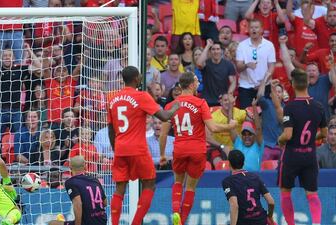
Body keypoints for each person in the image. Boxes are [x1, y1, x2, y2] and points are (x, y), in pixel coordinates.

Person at [159, 72, 237, 225]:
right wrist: (230, 125)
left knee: (177, 182)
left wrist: (162, 154)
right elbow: (213, 128)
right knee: (191, 187)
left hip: (180, 148)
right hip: (197, 149)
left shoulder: (170, 106)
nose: (198, 83)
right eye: (196, 81)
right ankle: (181, 221)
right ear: (191, 85)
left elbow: (163, 134)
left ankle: (175, 211)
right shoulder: (200, 103)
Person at [107, 66, 179, 225]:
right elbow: (164, 116)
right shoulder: (141, 96)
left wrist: (115, 148)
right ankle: (136, 222)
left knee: (119, 189)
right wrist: (175, 105)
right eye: (140, 77)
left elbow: (111, 129)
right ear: (136, 79)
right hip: (138, 148)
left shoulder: (112, 99)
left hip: (120, 148)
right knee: (149, 183)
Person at [278, 35, 328, 225]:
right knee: (312, 194)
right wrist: (308, 139)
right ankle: (316, 223)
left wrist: (281, 140)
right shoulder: (318, 107)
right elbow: (324, 134)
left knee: (285, 193)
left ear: (292, 85)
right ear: (307, 84)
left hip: (292, 156)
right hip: (309, 156)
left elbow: (288, 134)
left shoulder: (290, 107)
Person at [48, 156, 107, 225]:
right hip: (102, 221)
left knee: (52, 223)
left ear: (70, 168)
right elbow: (105, 203)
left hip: (87, 223)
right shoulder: (95, 180)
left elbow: (78, 204)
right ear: (85, 167)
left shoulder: (71, 182)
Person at [222, 150, 275, 225]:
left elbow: (234, 205)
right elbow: (271, 202)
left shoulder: (228, 181)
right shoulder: (255, 177)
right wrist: (270, 217)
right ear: (243, 163)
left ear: (229, 164)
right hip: (261, 221)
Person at [236, 19, 276, 109]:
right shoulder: (242, 46)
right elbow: (238, 67)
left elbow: (271, 66)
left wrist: (263, 82)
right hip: (246, 87)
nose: (254, 30)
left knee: (265, 115)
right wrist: (246, 65)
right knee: (247, 117)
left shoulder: (269, 45)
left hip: (264, 86)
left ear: (261, 29)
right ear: (248, 29)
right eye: (251, 27)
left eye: (256, 27)